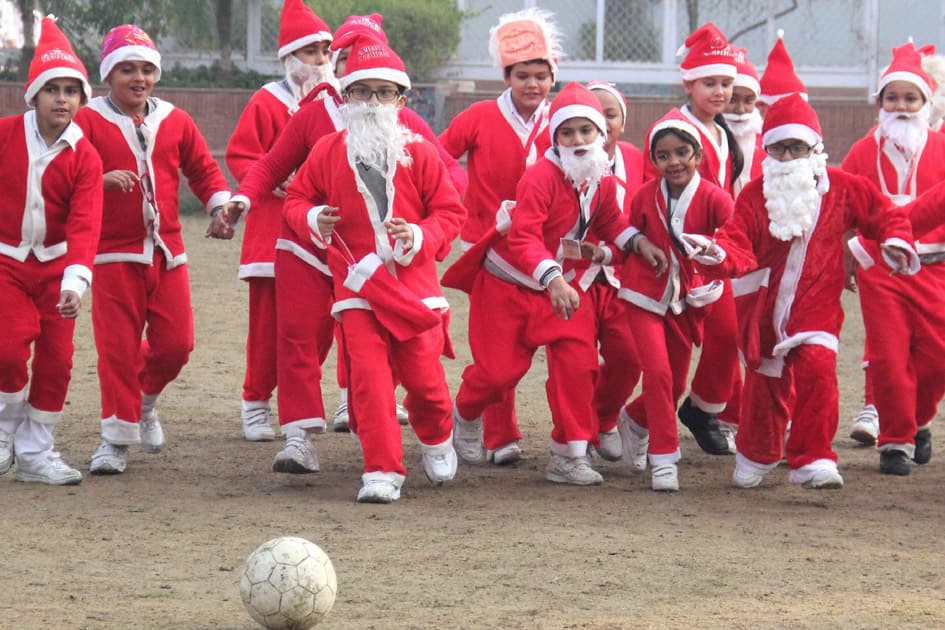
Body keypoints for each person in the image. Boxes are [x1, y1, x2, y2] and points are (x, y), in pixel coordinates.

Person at [219, 14, 463, 474]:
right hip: (311, 247)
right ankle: (297, 438)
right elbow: (272, 167)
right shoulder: (314, 116)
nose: (357, 68)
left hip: (376, 257)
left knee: (377, 344)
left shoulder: (404, 122)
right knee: (298, 337)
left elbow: (449, 178)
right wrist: (241, 200)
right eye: (347, 56)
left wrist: (423, 229)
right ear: (340, 68)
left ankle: (362, 410)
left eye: (369, 56)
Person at [686, 93, 918, 490]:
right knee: (765, 385)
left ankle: (813, 458)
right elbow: (737, 241)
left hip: (818, 309)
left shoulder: (844, 188)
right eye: (779, 147)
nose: (788, 156)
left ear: (815, 147)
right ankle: (757, 453)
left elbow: (884, 214)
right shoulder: (756, 194)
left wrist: (895, 240)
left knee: (818, 372)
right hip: (765, 307)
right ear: (767, 149)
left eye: (797, 147)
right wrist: (716, 252)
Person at [283, 36, 466, 503]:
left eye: (384, 93)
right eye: (362, 91)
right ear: (345, 96)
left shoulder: (420, 153)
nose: (372, 101)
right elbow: (297, 199)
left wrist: (419, 235)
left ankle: (436, 434)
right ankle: (382, 468)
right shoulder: (326, 150)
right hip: (356, 286)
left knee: (425, 380)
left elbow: (450, 212)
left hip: (413, 288)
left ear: (401, 101)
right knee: (368, 380)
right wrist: (312, 218)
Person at [447, 82, 654, 486]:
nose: (577, 140)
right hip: (508, 284)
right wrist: (555, 278)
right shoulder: (540, 177)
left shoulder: (603, 178)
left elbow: (613, 222)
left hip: (561, 288)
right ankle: (465, 414)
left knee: (578, 364)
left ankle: (568, 455)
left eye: (585, 131)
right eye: (567, 132)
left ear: (601, 134)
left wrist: (638, 243)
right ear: (555, 137)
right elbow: (523, 236)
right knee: (500, 373)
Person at [75, 24, 231, 475]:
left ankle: (144, 403)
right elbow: (64, 173)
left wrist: (220, 207)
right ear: (108, 76)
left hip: (169, 253)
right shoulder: (86, 122)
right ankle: (115, 439)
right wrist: (98, 180)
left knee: (176, 345)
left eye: (146, 69)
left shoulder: (175, 120)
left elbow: (203, 171)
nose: (137, 78)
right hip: (111, 254)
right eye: (126, 69)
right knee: (117, 350)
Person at [439, 7, 560, 466]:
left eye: (541, 76)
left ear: (553, 77)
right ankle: (495, 429)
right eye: (522, 75)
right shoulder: (479, 116)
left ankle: (577, 434)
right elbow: (436, 158)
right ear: (505, 75)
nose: (532, 85)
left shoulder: (563, 121)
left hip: (548, 255)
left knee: (547, 346)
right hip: (490, 250)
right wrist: (463, 198)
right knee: (497, 350)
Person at [224, 0, 334, 442]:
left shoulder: (337, 102)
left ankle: (302, 400)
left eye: (326, 51)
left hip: (323, 231)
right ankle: (255, 402)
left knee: (325, 324)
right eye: (311, 52)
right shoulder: (267, 101)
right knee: (269, 327)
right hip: (272, 230)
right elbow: (241, 155)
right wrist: (280, 177)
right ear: (290, 58)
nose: (322, 61)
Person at [0, 16, 103, 485]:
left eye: (71, 91)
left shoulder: (85, 155)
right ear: (34, 96)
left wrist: (75, 281)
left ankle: (37, 451)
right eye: (53, 89)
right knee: (6, 348)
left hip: (59, 266)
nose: (62, 99)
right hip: (6, 262)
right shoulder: (4, 136)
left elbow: (85, 222)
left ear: (82, 99)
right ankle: (6, 430)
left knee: (58, 361)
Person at [841, 42, 945, 474]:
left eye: (911, 98)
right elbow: (842, 205)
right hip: (877, 264)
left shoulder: (941, 147)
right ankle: (896, 440)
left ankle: (918, 419)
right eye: (892, 98)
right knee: (888, 354)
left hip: (935, 264)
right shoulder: (864, 151)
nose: (901, 106)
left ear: (927, 103)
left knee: (937, 355)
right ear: (880, 103)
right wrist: (844, 254)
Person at [616, 115, 733, 491]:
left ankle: (634, 420)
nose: (674, 162)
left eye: (682, 152)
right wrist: (636, 242)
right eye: (663, 156)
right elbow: (627, 231)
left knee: (675, 384)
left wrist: (717, 252)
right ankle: (664, 459)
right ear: (654, 160)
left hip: (686, 301)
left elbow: (735, 237)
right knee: (659, 374)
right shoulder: (644, 195)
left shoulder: (716, 197)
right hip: (642, 295)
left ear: (697, 154)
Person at [643, 22, 743, 456]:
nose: (719, 91)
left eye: (725, 82)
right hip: (674, 261)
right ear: (688, 83)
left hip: (713, 257)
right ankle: (635, 422)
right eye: (709, 83)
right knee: (670, 363)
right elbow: (654, 192)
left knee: (727, 337)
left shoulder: (723, 131)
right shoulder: (674, 130)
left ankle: (702, 410)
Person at [585, 81, 645, 459]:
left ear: (623, 121)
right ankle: (577, 436)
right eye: (594, 115)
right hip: (575, 277)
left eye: (611, 115)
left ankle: (605, 417)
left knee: (630, 358)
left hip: (622, 277)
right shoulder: (555, 162)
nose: (603, 123)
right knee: (577, 363)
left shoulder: (637, 158)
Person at [724, 46, 766, 197]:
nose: (740, 109)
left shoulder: (766, 144)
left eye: (748, 101)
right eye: (733, 100)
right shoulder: (709, 138)